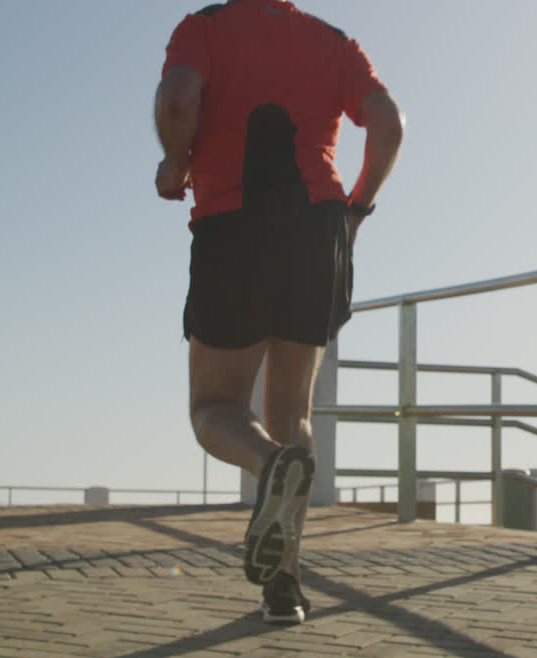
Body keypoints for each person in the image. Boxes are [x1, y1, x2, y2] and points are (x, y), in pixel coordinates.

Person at [153, 0, 404, 623]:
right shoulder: (332, 39)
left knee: (214, 409)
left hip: (232, 226)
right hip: (317, 232)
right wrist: (358, 209)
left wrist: (175, 163)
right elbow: (389, 122)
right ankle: (285, 589)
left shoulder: (204, 27)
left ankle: (268, 466)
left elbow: (179, 96)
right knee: (292, 411)